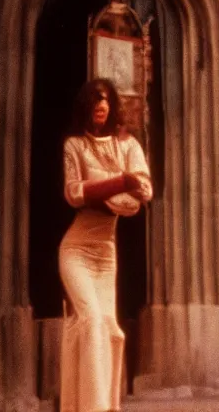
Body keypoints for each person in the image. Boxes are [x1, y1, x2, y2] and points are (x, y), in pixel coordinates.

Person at [59, 78, 152, 412]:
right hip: (76, 249)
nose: (101, 105)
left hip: (105, 253)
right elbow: (74, 194)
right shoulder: (75, 146)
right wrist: (121, 182)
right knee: (91, 322)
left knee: (109, 330)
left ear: (112, 106)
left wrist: (109, 188)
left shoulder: (126, 145)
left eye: (106, 100)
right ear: (86, 106)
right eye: (95, 100)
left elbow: (143, 194)